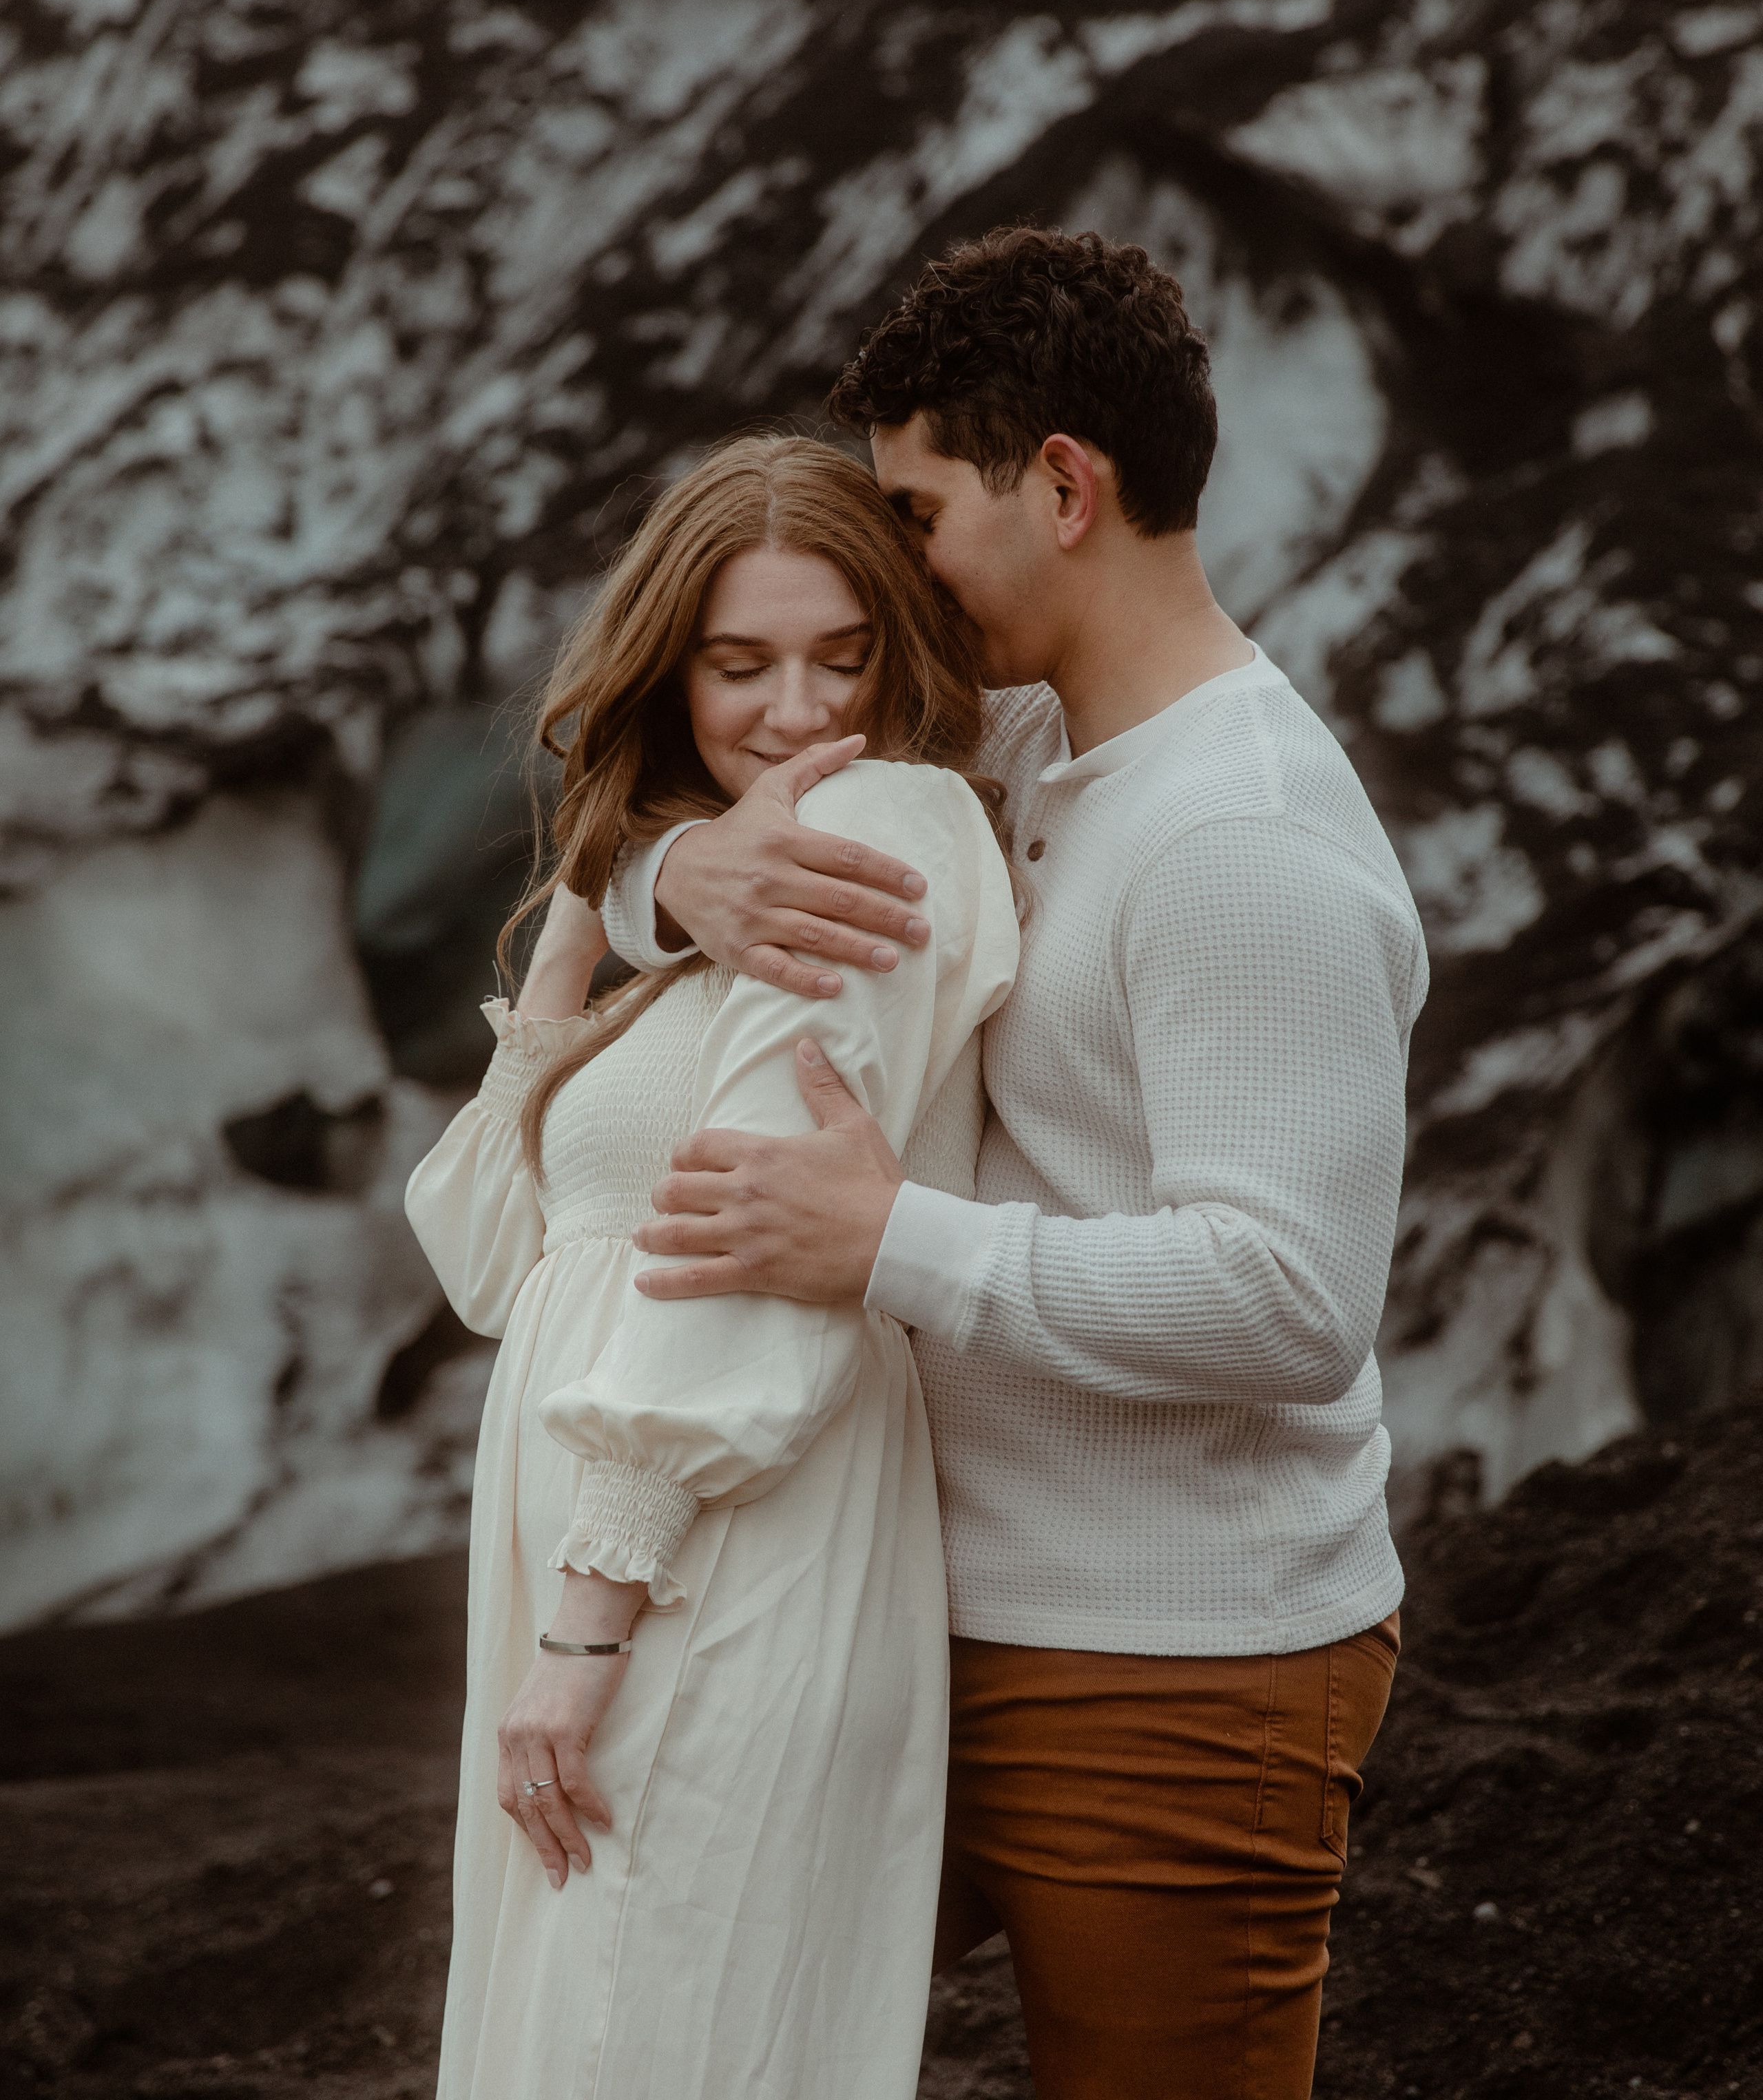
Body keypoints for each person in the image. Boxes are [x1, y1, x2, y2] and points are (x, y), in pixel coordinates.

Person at [601, 227, 1428, 2100]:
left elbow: (1290, 1301)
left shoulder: (1243, 842)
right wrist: (666, 882)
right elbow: (691, 792)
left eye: (915, 509)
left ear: (1063, 486)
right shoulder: (1038, 750)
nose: (892, 564)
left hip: (1173, 1664)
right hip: (944, 1610)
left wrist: (888, 1239)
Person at [404, 434, 1018, 2100]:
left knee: (648, 2033)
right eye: (739, 665)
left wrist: (588, 1622)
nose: (799, 713)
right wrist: (616, 896)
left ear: (902, 646)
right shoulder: (689, 901)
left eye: (844, 655)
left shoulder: (880, 824)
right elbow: (484, 1251)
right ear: (668, 670)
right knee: (589, 2027)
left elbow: (763, 1253)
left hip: (711, 1544)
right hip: (612, 1545)